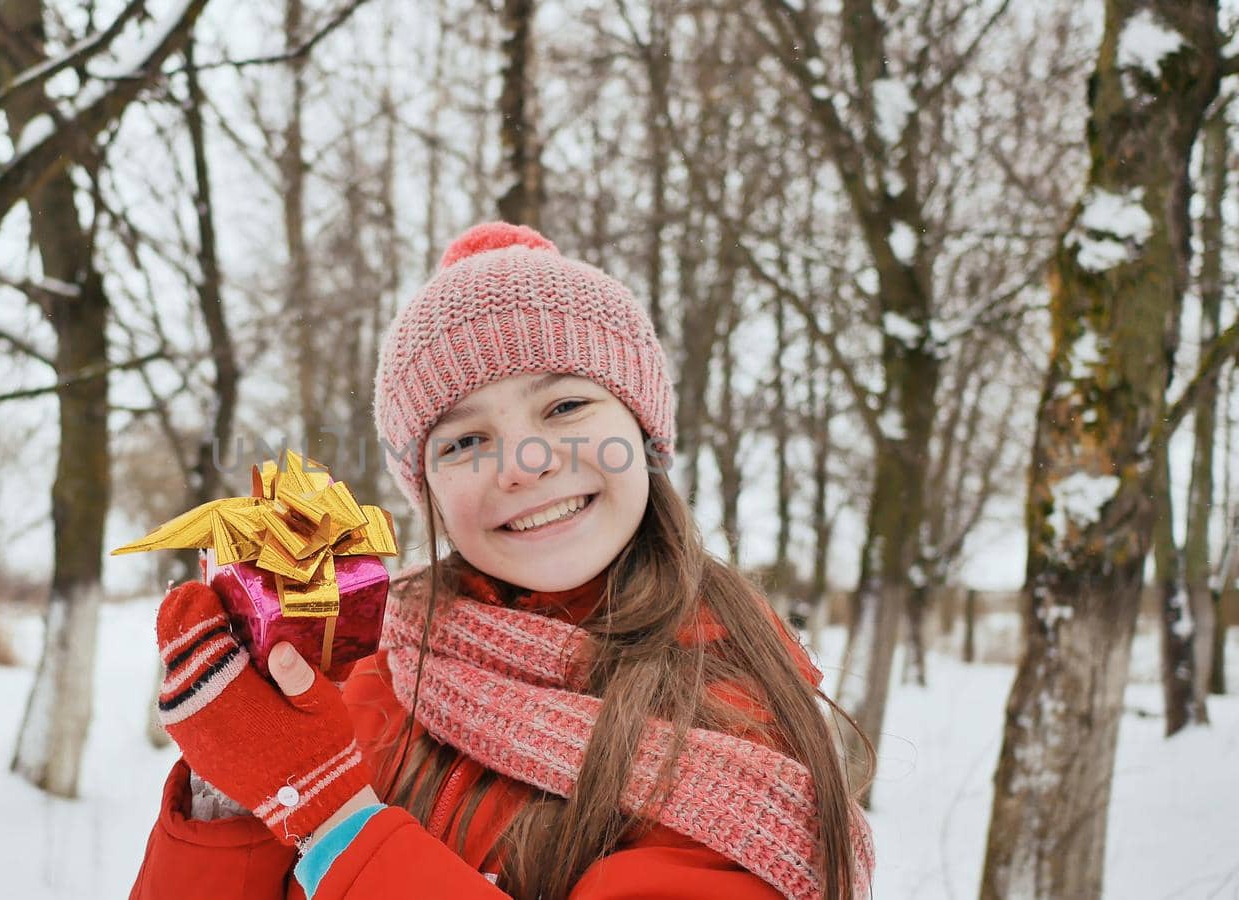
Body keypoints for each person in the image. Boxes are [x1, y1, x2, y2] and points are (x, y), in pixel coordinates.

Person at [128, 222, 876, 900]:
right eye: (463, 441)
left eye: (565, 408)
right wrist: (231, 790)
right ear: (429, 493)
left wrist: (331, 817)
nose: (522, 464)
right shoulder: (374, 673)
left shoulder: (731, 715)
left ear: (645, 431)